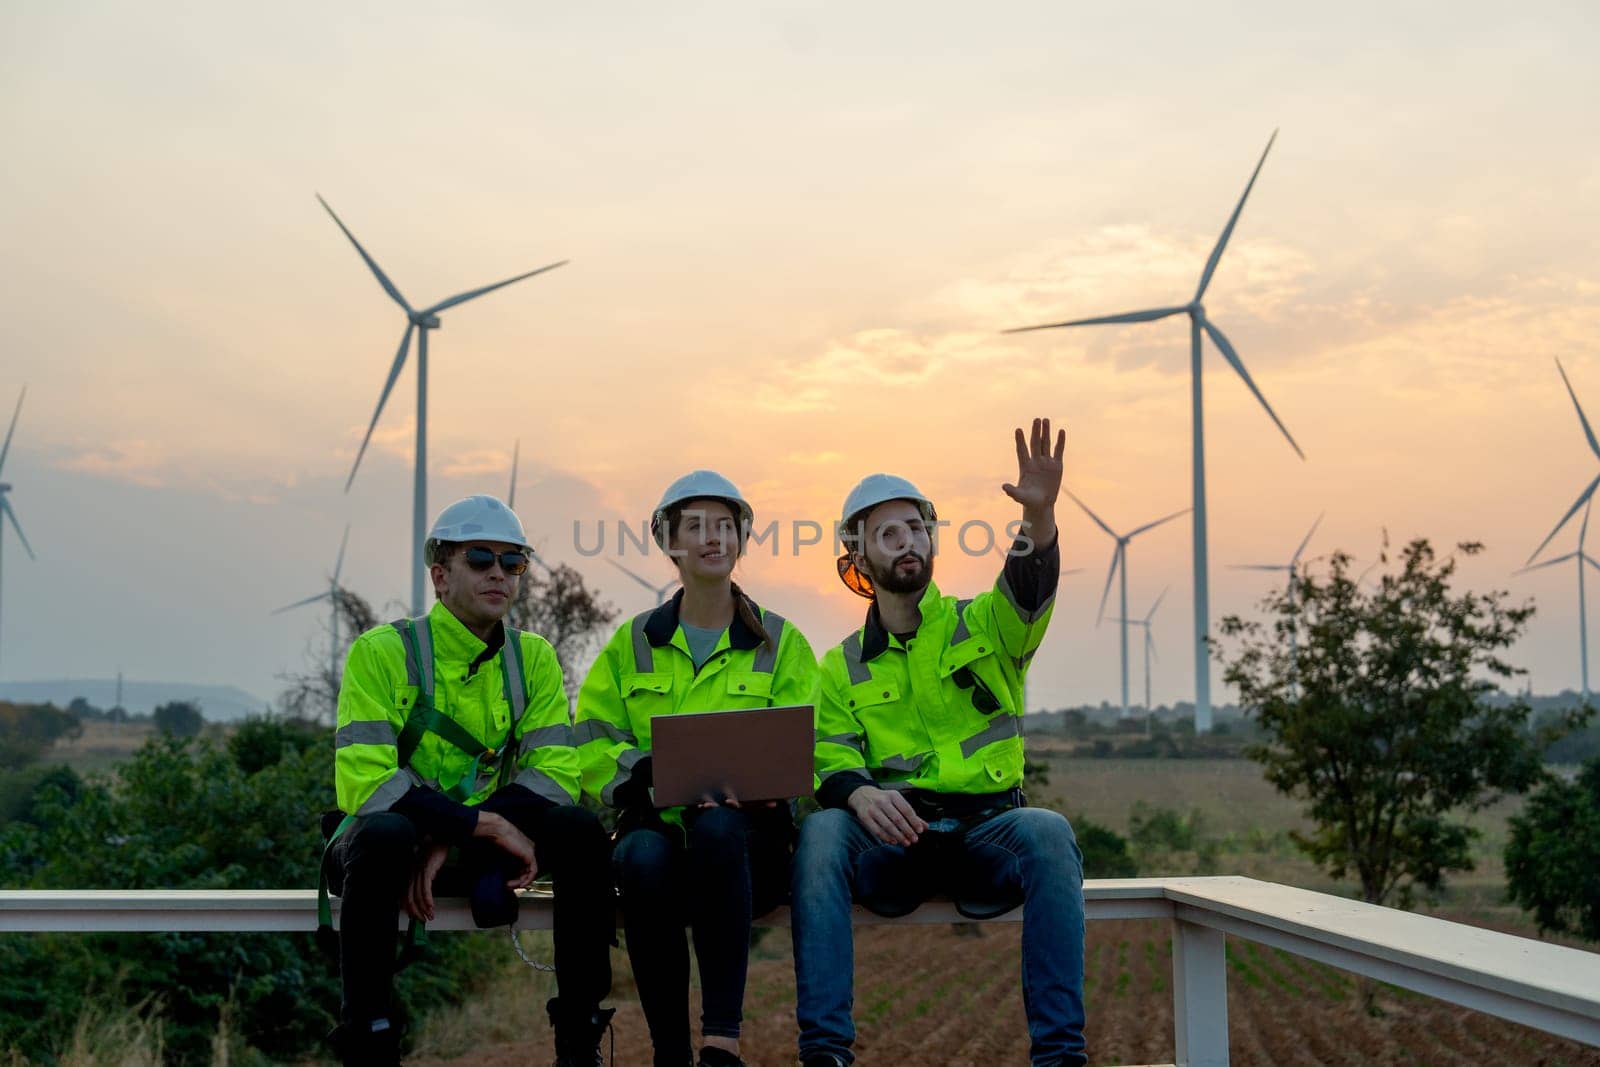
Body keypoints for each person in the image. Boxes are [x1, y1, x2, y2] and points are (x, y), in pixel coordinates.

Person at [792, 418, 1088, 1067]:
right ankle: (824, 1053)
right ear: (858, 556)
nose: (908, 541)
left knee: (1050, 832)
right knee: (819, 835)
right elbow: (829, 755)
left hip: (989, 834)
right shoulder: (839, 666)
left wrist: (1040, 518)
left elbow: (1029, 588)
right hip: (895, 847)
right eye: (888, 532)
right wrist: (859, 793)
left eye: (916, 527)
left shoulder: (983, 622)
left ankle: (1062, 1057)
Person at [325, 495, 615, 1066]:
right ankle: (370, 1041)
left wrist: (454, 836)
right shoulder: (382, 652)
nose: (497, 573)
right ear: (440, 575)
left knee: (581, 830)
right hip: (392, 850)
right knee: (382, 834)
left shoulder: (533, 658)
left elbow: (558, 776)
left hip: (477, 847)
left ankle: (580, 1042)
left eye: (513, 563)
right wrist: (476, 823)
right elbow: (366, 783)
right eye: (480, 558)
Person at [575, 471, 818, 1067]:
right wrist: (645, 775)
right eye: (696, 527)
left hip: (749, 846)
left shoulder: (782, 642)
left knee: (718, 830)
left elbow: (808, 748)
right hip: (656, 829)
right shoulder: (631, 643)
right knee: (640, 857)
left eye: (725, 526)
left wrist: (760, 791)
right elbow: (590, 744)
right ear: (670, 543)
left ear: (741, 540)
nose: (713, 538)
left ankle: (721, 1043)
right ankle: (671, 1053)